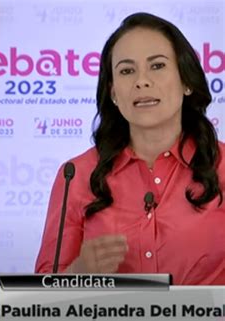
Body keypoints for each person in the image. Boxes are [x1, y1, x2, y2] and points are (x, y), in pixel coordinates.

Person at [36, 12, 225, 285]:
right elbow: (39, 300)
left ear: (186, 81)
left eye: (157, 66)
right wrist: (79, 271)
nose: (141, 81)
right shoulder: (74, 175)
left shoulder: (221, 166)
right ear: (113, 93)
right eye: (126, 71)